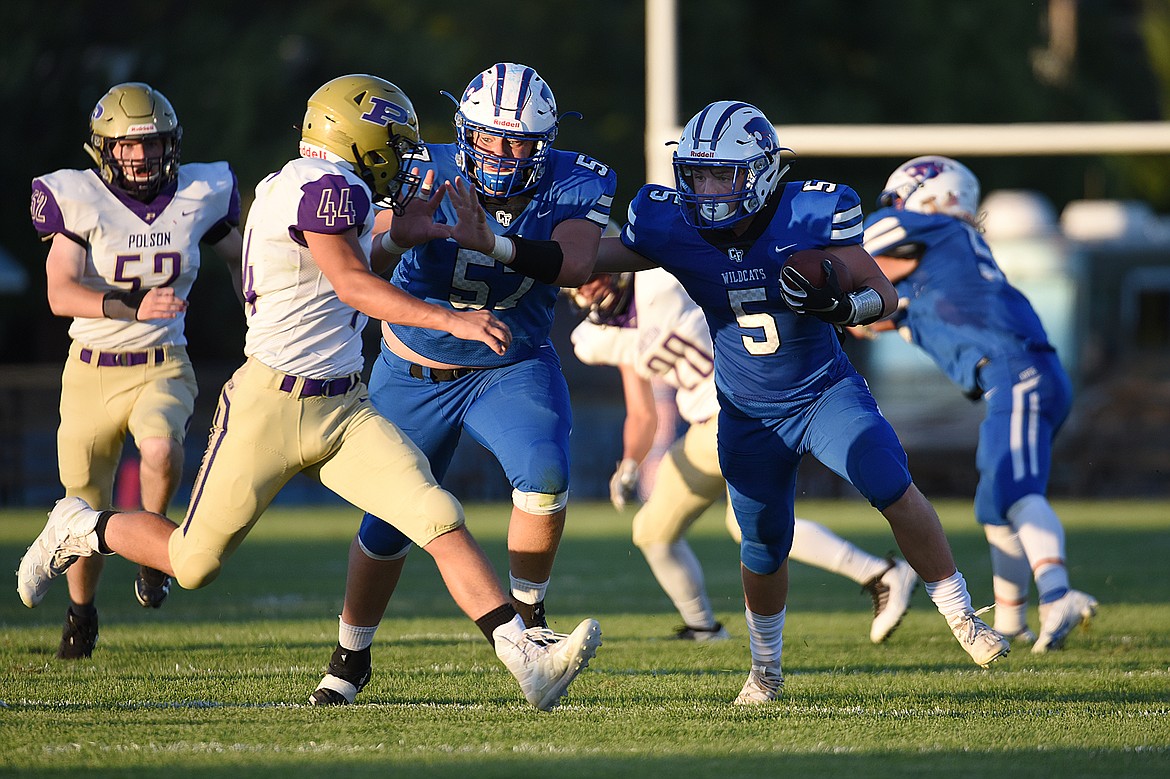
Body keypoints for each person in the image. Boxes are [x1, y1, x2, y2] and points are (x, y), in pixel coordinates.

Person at [17, 74, 601, 711]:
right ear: (356, 139)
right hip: (270, 404)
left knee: (436, 514)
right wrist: (450, 318)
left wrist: (400, 237)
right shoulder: (321, 187)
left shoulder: (324, 183)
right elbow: (352, 285)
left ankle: (526, 659)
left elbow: (350, 258)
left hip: (342, 406)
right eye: (392, 143)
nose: (403, 158)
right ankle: (78, 524)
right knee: (193, 562)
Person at [591, 100, 1010, 705]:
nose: (707, 188)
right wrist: (505, 248)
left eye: (723, 174)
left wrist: (844, 308)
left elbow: (882, 295)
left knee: (890, 482)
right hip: (747, 411)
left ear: (760, 172)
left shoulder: (810, 214)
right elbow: (584, 261)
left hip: (822, 393)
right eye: (698, 173)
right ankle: (765, 670)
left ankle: (961, 614)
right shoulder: (672, 227)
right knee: (761, 540)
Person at [307, 62, 616, 706]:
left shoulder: (576, 180)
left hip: (511, 364)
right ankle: (349, 657)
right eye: (490, 137)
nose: (502, 153)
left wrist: (497, 245)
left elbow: (578, 262)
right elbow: (355, 240)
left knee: (546, 474)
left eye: (520, 142)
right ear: (464, 131)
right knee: (389, 521)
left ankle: (529, 626)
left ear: (546, 143)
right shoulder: (419, 166)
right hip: (413, 366)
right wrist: (400, 229)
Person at [569, 269, 918, 644]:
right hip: (705, 425)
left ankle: (879, 573)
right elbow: (642, 413)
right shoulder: (604, 336)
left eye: (595, 273)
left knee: (747, 526)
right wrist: (630, 464)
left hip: (738, 410)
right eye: (579, 284)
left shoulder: (662, 278)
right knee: (652, 531)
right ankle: (703, 627)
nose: (589, 287)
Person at [28, 82, 244, 659]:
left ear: (170, 144)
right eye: (125, 146)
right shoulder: (79, 198)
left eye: (150, 145)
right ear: (102, 148)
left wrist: (265, 301)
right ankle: (82, 611)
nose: (140, 157)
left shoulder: (200, 192)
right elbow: (59, 291)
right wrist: (131, 304)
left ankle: (153, 547)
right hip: (91, 369)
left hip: (161, 362)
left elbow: (245, 261)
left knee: (160, 450)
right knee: (81, 503)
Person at [857, 155, 1098, 653]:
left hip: (1017, 371)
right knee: (993, 505)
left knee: (1016, 490)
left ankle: (1057, 593)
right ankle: (1011, 620)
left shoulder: (937, 233)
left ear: (927, 196)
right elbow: (871, 317)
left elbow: (865, 248)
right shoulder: (944, 267)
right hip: (1014, 376)